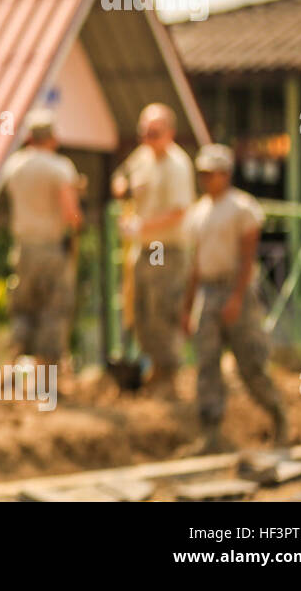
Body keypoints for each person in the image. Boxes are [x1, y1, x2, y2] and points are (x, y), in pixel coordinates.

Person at [182, 144, 289, 452]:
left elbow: (247, 258)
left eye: (211, 173)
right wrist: (187, 306)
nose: (206, 179)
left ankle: (278, 417)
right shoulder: (198, 212)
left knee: (250, 363)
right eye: (202, 174)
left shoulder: (242, 208)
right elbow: (195, 264)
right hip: (208, 291)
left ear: (226, 174)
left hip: (235, 290)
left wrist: (238, 297)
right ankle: (211, 434)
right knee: (207, 364)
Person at [110, 103, 195, 398]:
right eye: (143, 132)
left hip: (167, 248)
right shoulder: (142, 157)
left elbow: (180, 211)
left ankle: (169, 373)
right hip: (144, 248)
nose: (147, 138)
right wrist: (122, 186)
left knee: (163, 309)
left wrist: (142, 225)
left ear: (170, 133)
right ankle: (154, 369)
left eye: (154, 132)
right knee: (141, 310)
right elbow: (122, 174)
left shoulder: (177, 164)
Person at [0, 110, 82, 364]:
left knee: (22, 308)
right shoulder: (60, 168)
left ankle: (15, 362)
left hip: (23, 249)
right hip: (51, 249)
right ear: (53, 138)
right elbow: (71, 214)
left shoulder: (14, 166)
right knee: (53, 309)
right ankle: (47, 374)